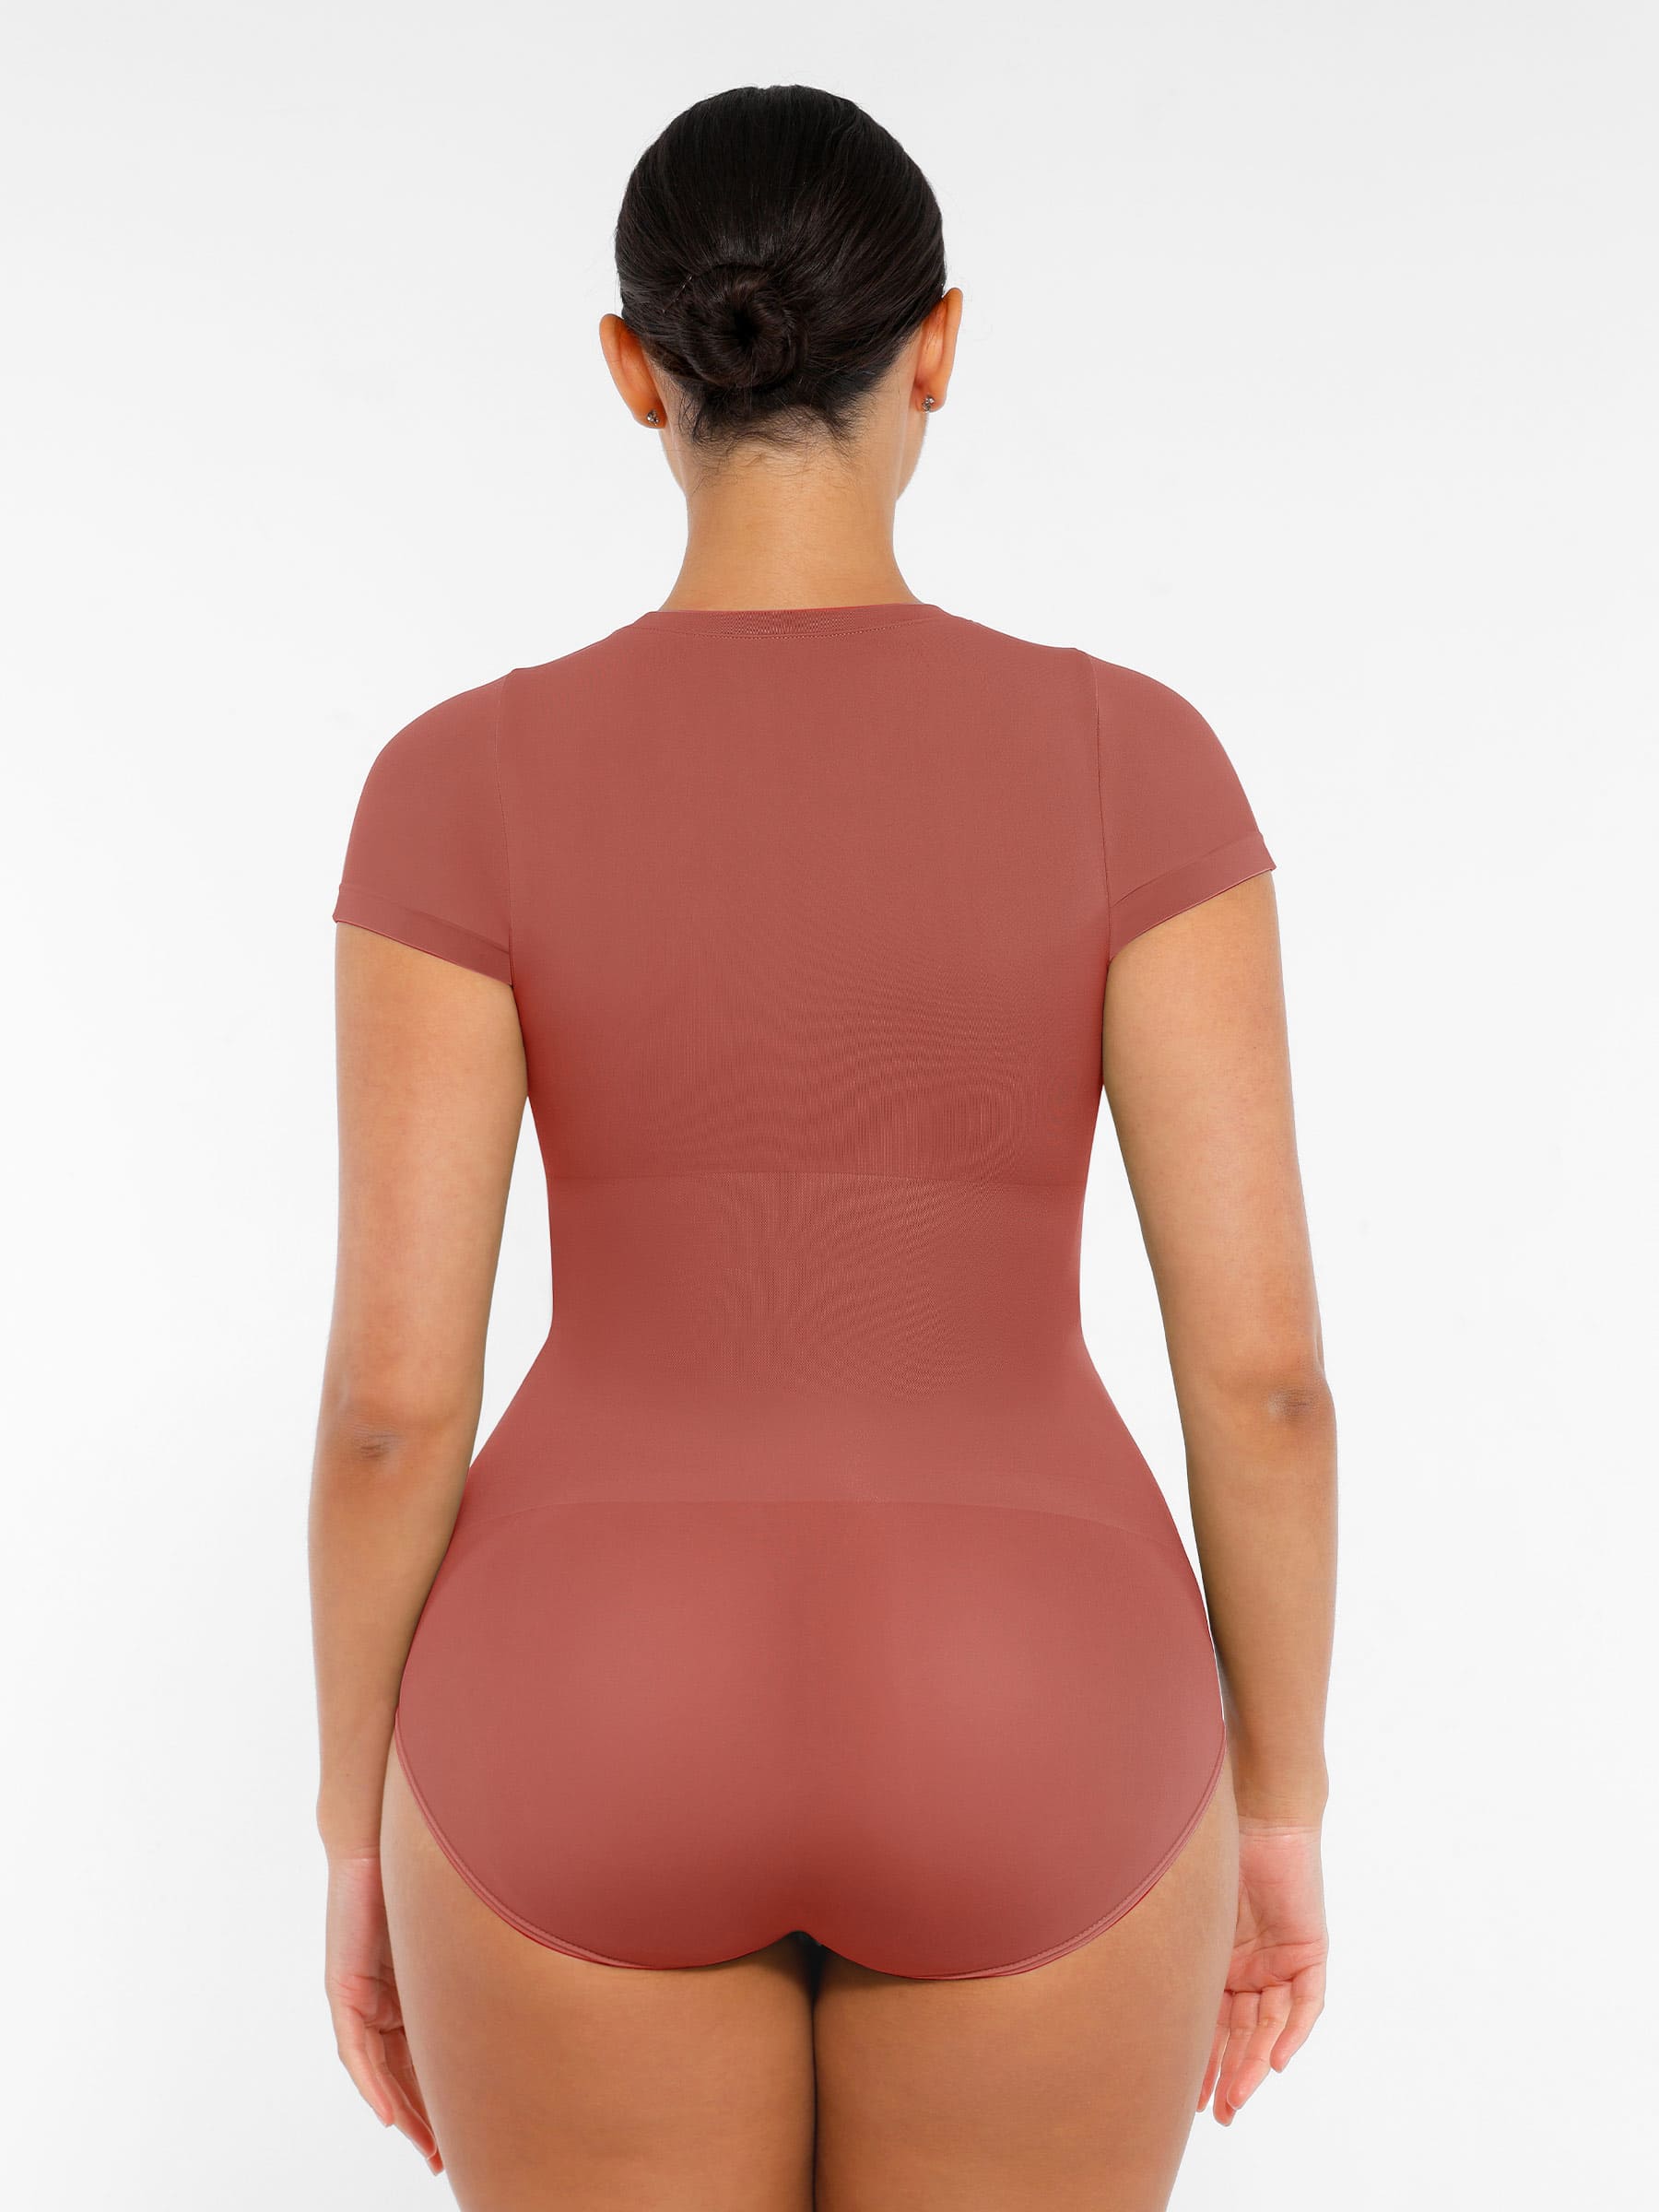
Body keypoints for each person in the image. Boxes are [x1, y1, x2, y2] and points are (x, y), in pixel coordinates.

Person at [309, 82, 1336, 2212]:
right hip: (1033, 1688)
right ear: (938, 346)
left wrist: (352, 1839)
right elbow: (1264, 1385)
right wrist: (1281, 1807)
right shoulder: (1133, 764)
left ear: (635, 367)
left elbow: (394, 1413)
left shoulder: (455, 786)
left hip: (581, 1692)